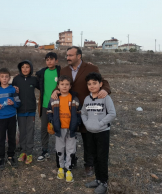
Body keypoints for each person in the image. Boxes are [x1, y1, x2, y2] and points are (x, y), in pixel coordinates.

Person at [51, 46, 111, 176]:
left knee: (87, 138)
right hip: (68, 110)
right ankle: (71, 161)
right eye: (67, 55)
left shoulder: (91, 68)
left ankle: (89, 165)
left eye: (70, 55)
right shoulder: (64, 69)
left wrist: (105, 90)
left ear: (79, 56)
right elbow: (61, 84)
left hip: (87, 109)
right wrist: (55, 91)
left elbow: (103, 81)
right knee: (68, 136)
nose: (67, 58)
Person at [81, 72, 116, 194]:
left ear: (100, 84)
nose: (91, 86)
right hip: (90, 132)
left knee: (102, 157)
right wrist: (87, 123)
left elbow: (112, 114)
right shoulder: (87, 99)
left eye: (94, 83)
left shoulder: (105, 98)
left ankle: (104, 182)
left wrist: (100, 124)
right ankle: (98, 179)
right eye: (89, 84)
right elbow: (84, 113)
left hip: (102, 132)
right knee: (94, 156)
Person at [47, 75, 80, 183]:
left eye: (67, 84)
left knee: (71, 149)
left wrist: (77, 124)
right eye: (62, 84)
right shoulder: (54, 98)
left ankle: (69, 169)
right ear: (58, 86)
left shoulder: (74, 98)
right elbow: (49, 111)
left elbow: (79, 113)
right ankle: (60, 168)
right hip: (59, 129)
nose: (64, 87)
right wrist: (51, 122)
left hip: (71, 129)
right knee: (60, 149)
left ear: (70, 86)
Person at [12, 60, 39, 165]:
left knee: (30, 132)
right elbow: (10, 88)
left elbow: (42, 86)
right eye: (23, 67)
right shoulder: (16, 79)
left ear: (31, 68)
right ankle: (23, 152)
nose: (25, 69)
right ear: (20, 68)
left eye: (27, 67)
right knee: (22, 132)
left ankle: (29, 153)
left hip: (31, 110)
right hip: (20, 110)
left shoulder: (33, 79)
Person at [35, 52, 61, 161]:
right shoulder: (42, 72)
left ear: (56, 60)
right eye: (47, 60)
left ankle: (61, 150)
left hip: (59, 105)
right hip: (45, 105)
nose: (49, 61)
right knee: (44, 129)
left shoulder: (60, 71)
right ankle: (44, 150)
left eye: (51, 59)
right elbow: (34, 81)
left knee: (59, 127)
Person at [0, 68, 21, 170]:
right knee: (1, 138)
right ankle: (1, 157)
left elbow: (18, 103)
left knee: (11, 137)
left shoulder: (13, 89)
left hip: (12, 117)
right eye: (2, 77)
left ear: (9, 78)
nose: (4, 79)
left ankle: (11, 156)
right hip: (1, 117)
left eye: (6, 77)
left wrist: (13, 103)